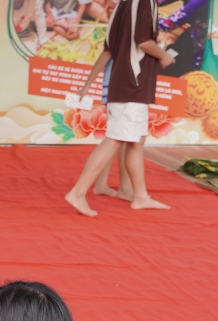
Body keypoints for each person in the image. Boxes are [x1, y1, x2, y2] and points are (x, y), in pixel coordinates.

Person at [64, 0, 175, 216]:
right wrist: (163, 55)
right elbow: (143, 42)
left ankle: (137, 195)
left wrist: (87, 85)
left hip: (124, 85)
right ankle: (78, 192)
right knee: (116, 138)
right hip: (133, 84)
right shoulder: (144, 2)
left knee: (136, 139)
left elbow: (108, 51)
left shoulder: (123, 5)